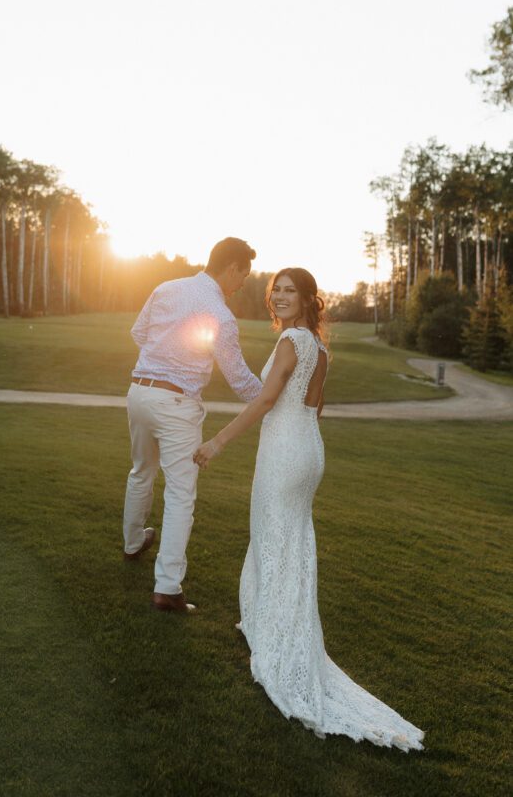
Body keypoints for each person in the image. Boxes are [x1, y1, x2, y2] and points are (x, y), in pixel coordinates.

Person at [194, 267, 424, 751]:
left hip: (283, 454)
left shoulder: (290, 343)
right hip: (309, 450)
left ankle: (280, 641)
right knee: (290, 540)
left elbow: (264, 402)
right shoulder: (319, 348)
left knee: (274, 537)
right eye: (275, 289)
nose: (278, 297)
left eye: (289, 291)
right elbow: (314, 406)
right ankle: (274, 623)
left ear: (306, 299)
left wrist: (216, 441)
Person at [122, 237, 262, 613]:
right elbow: (240, 379)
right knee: (181, 494)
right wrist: (273, 399)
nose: (241, 284)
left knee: (141, 471)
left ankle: (133, 543)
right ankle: (167, 588)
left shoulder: (166, 287)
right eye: (243, 276)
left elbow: (139, 334)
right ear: (231, 267)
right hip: (176, 404)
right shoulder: (221, 314)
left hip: (139, 392)